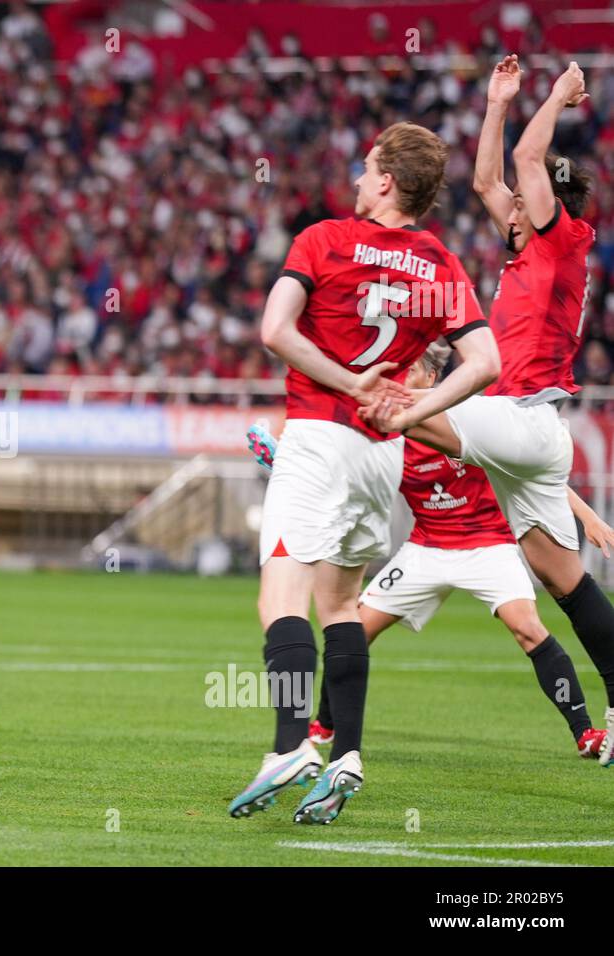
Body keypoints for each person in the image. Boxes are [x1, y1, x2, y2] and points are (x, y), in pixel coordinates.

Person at [229, 121, 501, 825]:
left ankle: (292, 743)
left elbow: (276, 333)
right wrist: (412, 409)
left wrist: (351, 385)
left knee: (280, 596)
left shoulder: (322, 239)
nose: (356, 178)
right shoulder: (438, 262)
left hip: (319, 434)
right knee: (342, 606)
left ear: (385, 181)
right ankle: (345, 753)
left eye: (365, 168)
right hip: (383, 455)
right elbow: (485, 363)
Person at [365, 59, 614, 767]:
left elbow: (531, 159)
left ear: (545, 203)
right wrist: (497, 100)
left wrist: (559, 95)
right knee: (567, 583)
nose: (503, 208)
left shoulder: (560, 236)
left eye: (519, 202)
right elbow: (484, 179)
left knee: (399, 404)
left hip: (523, 416)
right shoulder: (532, 250)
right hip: (526, 435)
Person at [250, 340, 613, 758]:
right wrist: (291, 463)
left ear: (432, 377)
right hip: (425, 547)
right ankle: (325, 724)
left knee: (528, 629)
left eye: (409, 370)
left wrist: (586, 516)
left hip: (487, 545)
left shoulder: (465, 420)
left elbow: (533, 470)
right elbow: (346, 473)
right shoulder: (391, 428)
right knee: (354, 626)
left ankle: (584, 731)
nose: (400, 378)